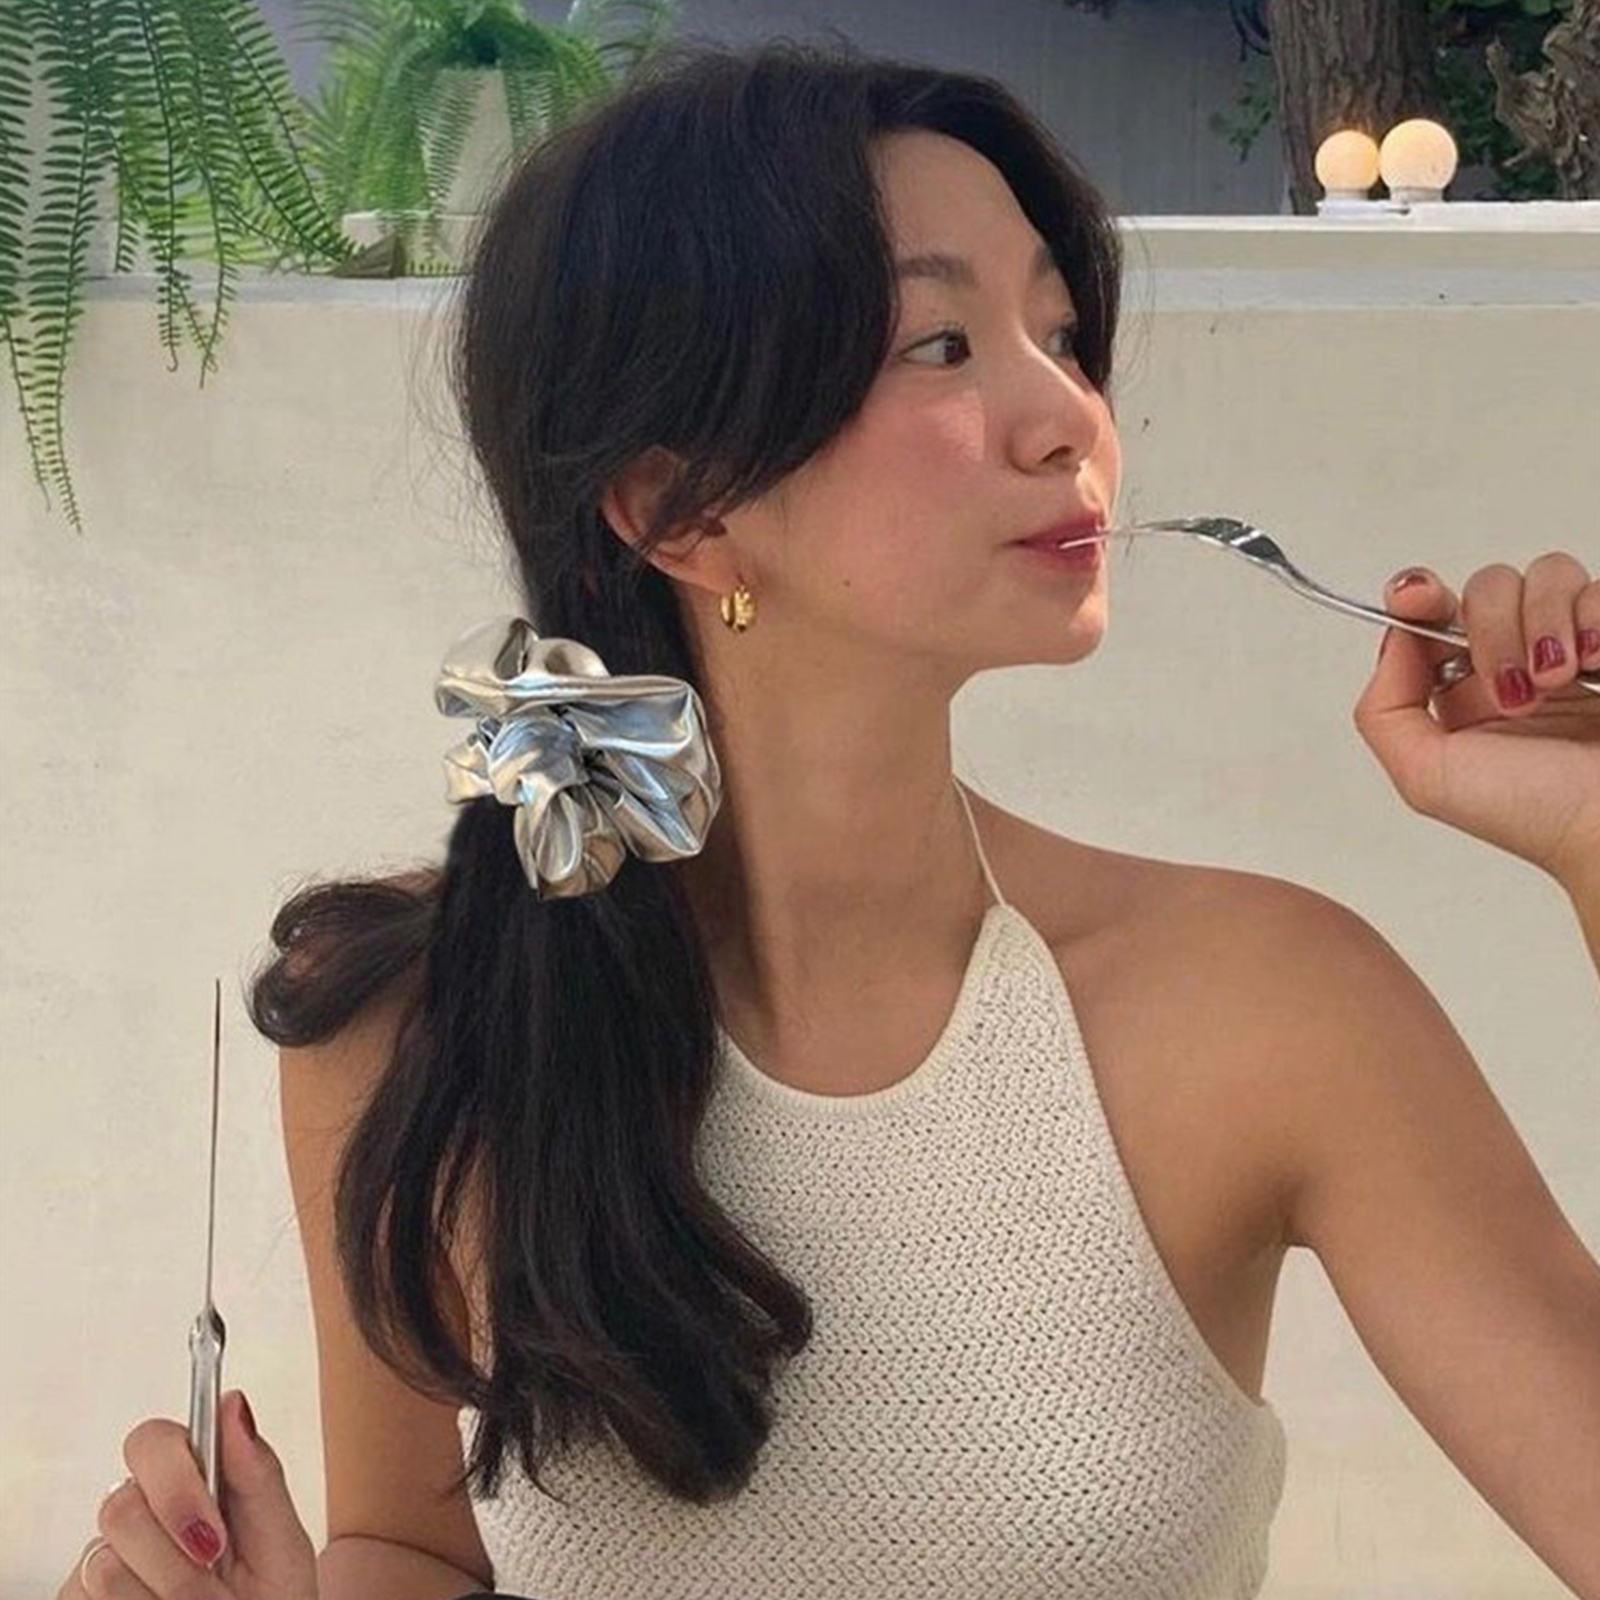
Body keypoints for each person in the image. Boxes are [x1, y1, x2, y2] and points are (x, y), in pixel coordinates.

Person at [58, 33, 1600, 1600]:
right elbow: (411, 1551)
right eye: (941, 345)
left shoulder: (1271, 1008)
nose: (1069, 415)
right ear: (678, 510)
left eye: (1060, 334)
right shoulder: (416, 1026)